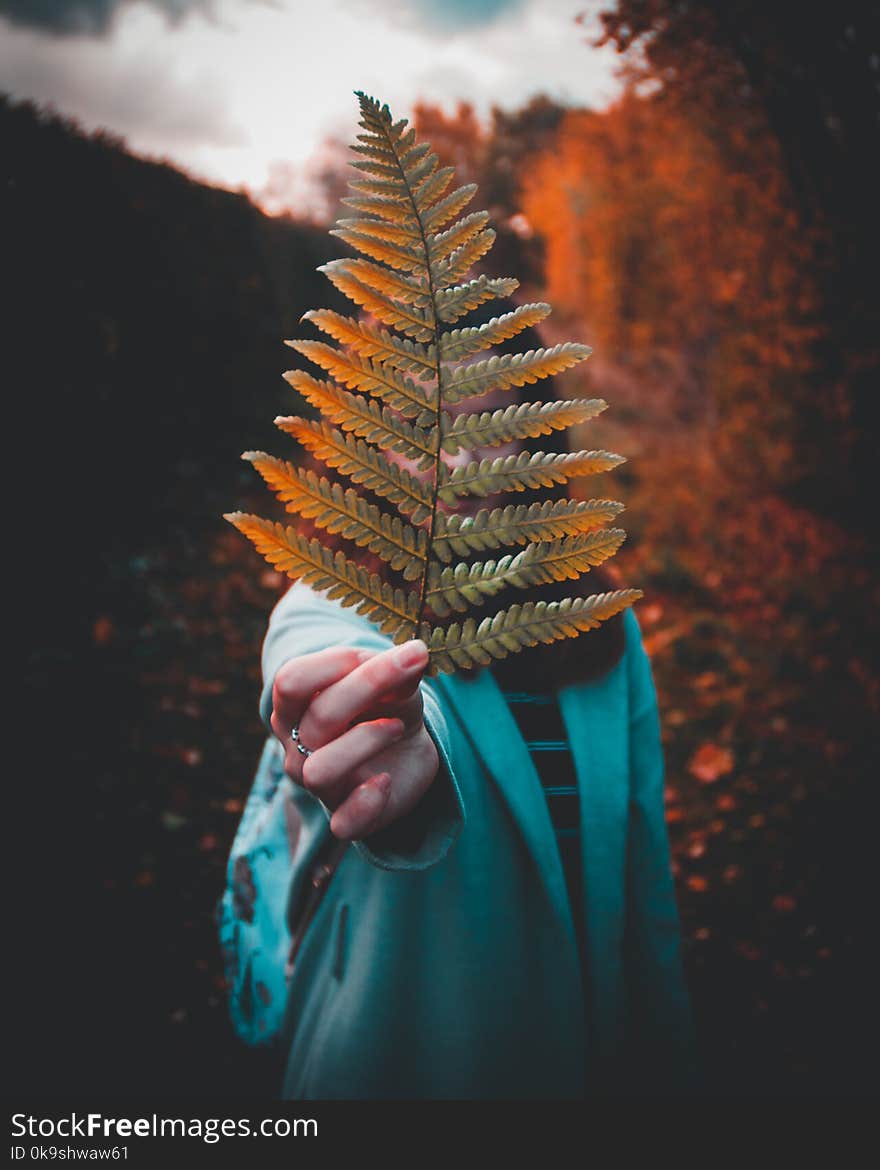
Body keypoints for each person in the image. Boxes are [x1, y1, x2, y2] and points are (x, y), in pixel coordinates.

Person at [217, 302, 702, 1099]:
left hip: (589, 1057)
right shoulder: (335, 602)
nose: (456, 466)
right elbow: (330, 668)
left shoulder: (602, 633)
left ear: (537, 445)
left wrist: (669, 1062)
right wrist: (397, 743)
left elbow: (645, 878)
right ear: (371, 446)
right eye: (423, 431)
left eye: (490, 428)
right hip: (391, 1065)